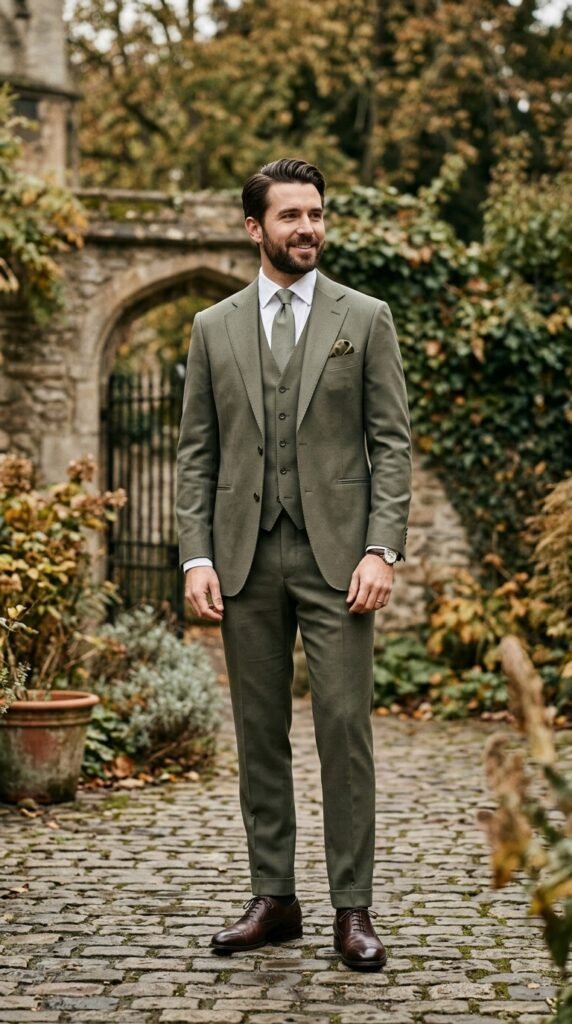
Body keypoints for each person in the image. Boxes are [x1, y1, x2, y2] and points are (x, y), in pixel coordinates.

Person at [176, 157, 411, 971]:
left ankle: (354, 909)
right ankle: (274, 898)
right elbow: (195, 456)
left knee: (345, 731)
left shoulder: (366, 317)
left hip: (339, 558)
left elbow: (392, 444)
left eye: (316, 214)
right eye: (290, 216)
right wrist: (196, 555)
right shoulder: (213, 327)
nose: (308, 228)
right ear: (255, 228)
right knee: (259, 735)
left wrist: (382, 547)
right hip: (243, 558)